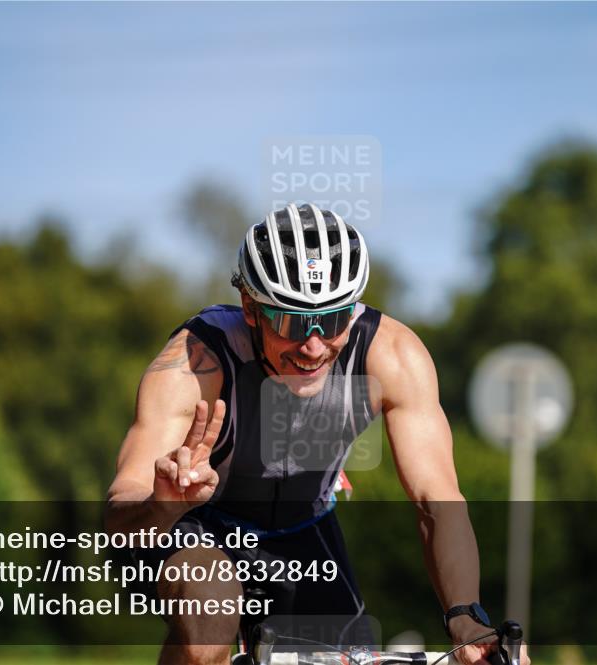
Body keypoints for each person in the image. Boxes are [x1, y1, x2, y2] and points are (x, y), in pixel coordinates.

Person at [107, 203, 530, 665]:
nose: (312, 346)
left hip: (302, 529)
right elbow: (118, 514)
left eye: (331, 322)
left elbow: (437, 500)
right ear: (251, 308)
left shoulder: (393, 355)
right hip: (189, 525)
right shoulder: (195, 361)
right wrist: (163, 505)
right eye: (291, 323)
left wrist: (465, 615)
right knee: (213, 612)